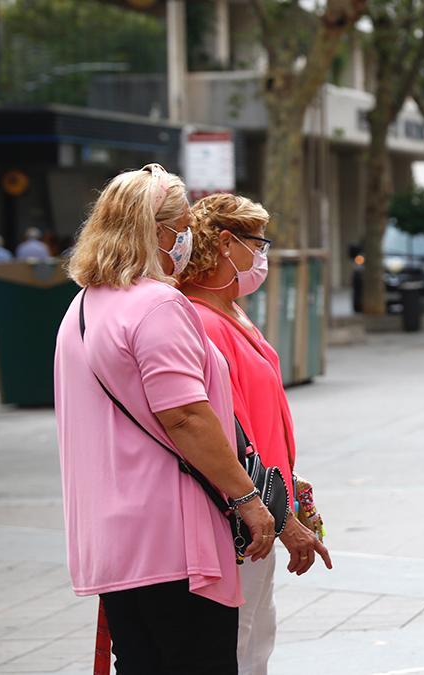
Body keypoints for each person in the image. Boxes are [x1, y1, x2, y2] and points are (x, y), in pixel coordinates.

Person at [54, 164, 277, 673]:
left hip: (113, 541)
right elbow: (186, 418)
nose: (186, 240)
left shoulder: (83, 307)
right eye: (182, 227)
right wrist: (248, 499)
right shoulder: (158, 306)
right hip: (172, 541)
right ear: (157, 231)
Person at [176, 194, 331, 674]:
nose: (261, 255)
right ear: (226, 243)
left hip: (264, 503)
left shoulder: (230, 312)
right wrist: (283, 522)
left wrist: (292, 486)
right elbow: (231, 434)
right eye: (258, 243)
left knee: (255, 638)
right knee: (240, 643)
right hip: (241, 514)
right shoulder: (201, 320)